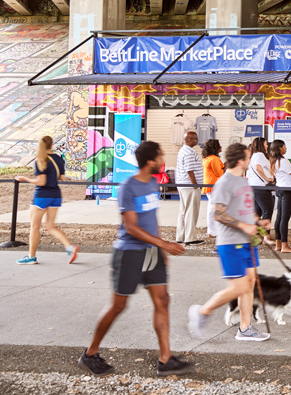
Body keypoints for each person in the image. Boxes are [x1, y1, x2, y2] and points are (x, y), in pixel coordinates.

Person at [79, 141, 192, 377]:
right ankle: (90, 353)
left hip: (152, 252)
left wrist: (160, 250)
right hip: (129, 253)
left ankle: (165, 359)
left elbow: (151, 219)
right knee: (119, 305)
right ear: (150, 161)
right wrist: (165, 244)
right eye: (160, 157)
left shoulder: (152, 182)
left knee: (162, 300)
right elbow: (131, 227)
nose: (163, 161)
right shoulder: (128, 187)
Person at [188, 143, 272, 342]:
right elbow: (218, 214)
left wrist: (258, 222)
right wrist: (244, 226)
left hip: (247, 243)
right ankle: (202, 312)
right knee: (240, 287)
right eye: (248, 157)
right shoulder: (224, 182)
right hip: (230, 243)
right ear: (241, 160)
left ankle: (245, 328)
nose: (251, 160)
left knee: (250, 283)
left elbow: (244, 209)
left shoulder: (243, 182)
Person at [15, 136, 77, 265]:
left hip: (42, 196)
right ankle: (69, 247)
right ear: (52, 144)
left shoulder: (41, 159)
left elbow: (41, 181)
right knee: (50, 226)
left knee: (34, 227)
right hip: (56, 195)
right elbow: (62, 178)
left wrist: (25, 179)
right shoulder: (59, 159)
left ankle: (31, 256)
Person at [269, 139, 291, 253]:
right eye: (284, 146)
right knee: (284, 218)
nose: (286, 148)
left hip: (280, 188)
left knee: (279, 217)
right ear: (279, 148)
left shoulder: (275, 160)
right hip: (287, 189)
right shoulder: (283, 161)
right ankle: (284, 245)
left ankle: (278, 244)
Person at [175, 131, 203, 245]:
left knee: (183, 211)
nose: (197, 140)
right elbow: (190, 170)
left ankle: (180, 236)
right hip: (190, 186)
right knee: (191, 211)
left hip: (183, 185)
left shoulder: (183, 150)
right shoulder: (189, 153)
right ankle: (190, 238)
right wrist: (195, 185)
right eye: (195, 139)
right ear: (189, 140)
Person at [247, 137, 275, 244]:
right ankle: (266, 237)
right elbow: (258, 167)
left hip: (253, 186)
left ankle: (257, 236)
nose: (267, 146)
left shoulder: (253, 155)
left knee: (257, 212)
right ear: (261, 145)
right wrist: (267, 178)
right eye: (265, 144)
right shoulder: (259, 155)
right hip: (261, 187)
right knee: (267, 211)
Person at [201, 139, 223, 241]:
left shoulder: (207, 158)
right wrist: (225, 166)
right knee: (214, 209)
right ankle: (213, 231)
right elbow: (219, 173)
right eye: (219, 145)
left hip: (210, 186)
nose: (221, 147)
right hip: (214, 186)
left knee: (212, 208)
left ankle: (212, 230)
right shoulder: (214, 159)